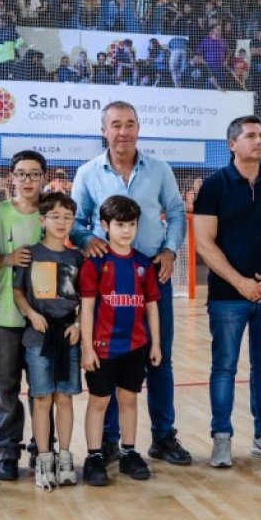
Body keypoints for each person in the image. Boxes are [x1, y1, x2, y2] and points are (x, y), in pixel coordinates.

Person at [70, 101, 191, 466]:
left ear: (138, 128)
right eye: (116, 125)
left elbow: (177, 213)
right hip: (107, 282)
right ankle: (108, 442)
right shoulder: (88, 173)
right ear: (103, 130)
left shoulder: (160, 169)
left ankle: (163, 436)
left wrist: (169, 250)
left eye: (130, 124)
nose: (123, 131)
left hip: (152, 275)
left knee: (159, 357)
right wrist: (86, 239)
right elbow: (76, 221)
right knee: (109, 360)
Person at [193, 115, 261, 467]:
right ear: (232, 144)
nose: (259, 140)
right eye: (251, 135)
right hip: (227, 298)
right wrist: (240, 282)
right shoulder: (214, 187)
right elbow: (204, 243)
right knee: (224, 367)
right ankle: (221, 437)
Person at [80, 195, 161, 485]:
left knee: (128, 398)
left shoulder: (142, 264)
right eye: (119, 225)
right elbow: (87, 308)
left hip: (135, 346)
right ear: (105, 226)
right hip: (102, 348)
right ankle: (94, 456)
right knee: (99, 401)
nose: (126, 230)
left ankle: (128, 452)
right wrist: (87, 347)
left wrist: (156, 343)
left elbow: (151, 306)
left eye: (131, 225)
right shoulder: (95, 263)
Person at [13, 192, 81, 490]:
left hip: (68, 336)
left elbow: (87, 298)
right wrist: (31, 313)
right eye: (55, 216)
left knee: (64, 398)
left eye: (67, 217)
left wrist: (78, 324)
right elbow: (17, 292)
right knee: (41, 398)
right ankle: (44, 459)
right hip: (37, 337)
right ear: (42, 220)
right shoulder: (29, 255)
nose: (61, 222)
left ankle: (65, 458)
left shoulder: (77, 258)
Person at [0, 150, 45, 480]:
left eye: (34, 174)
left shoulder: (52, 214)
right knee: (6, 388)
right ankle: (8, 452)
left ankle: (42, 448)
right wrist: (7, 259)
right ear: (11, 177)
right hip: (5, 317)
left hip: (44, 318)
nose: (27, 180)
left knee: (42, 389)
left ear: (43, 178)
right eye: (21, 173)